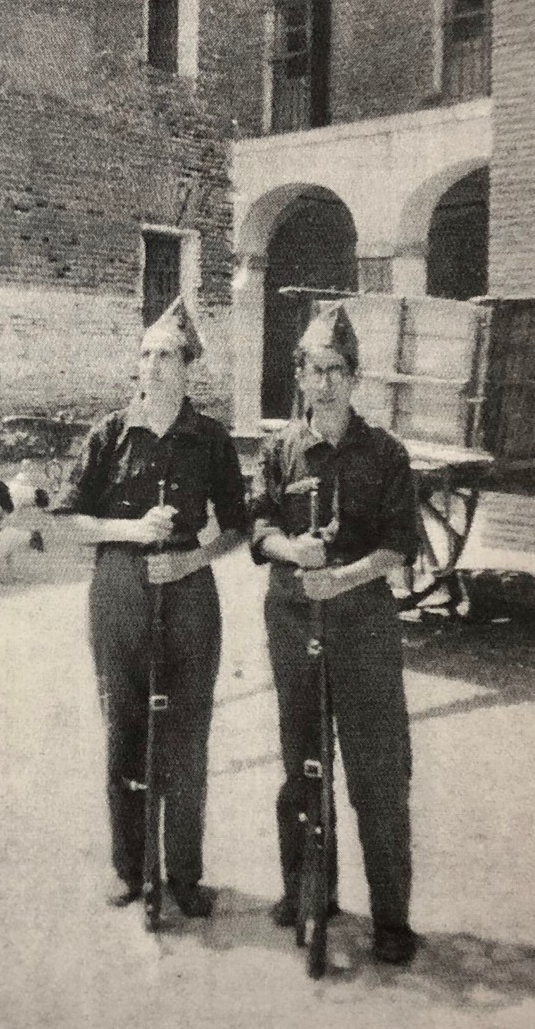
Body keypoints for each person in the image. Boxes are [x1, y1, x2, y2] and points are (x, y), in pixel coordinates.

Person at [53, 296, 247, 918]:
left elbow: (240, 527)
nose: (154, 364)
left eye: (167, 355)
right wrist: (135, 531)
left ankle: (185, 876)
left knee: (188, 733)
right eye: (146, 354)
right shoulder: (109, 434)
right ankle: (130, 868)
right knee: (124, 728)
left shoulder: (209, 438)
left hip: (188, 591)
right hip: (119, 591)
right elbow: (73, 520)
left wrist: (191, 559)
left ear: (189, 366)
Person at [249, 302, 419, 965]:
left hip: (365, 630)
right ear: (298, 375)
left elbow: (399, 547)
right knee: (303, 765)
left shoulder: (386, 455)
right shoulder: (278, 450)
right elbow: (260, 528)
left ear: (355, 378)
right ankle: (308, 894)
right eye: (312, 371)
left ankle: (392, 919)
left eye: (336, 371)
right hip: (293, 622)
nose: (323, 384)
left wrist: (340, 578)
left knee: (378, 774)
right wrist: (296, 554)